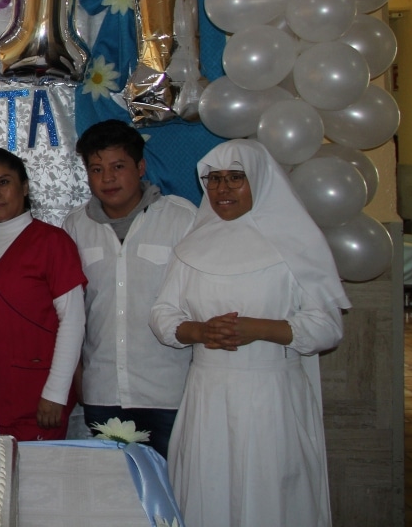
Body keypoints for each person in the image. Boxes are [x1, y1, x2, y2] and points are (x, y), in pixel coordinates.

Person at [150, 139, 350, 527]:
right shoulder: (191, 246)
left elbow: (327, 327)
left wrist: (257, 329)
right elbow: (162, 314)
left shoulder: (296, 245)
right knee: (209, 488)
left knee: (271, 491)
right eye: (214, 179)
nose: (222, 189)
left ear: (259, 180)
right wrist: (200, 331)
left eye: (236, 178)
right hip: (208, 395)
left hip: (272, 396)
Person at [62, 120, 195, 457]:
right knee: (114, 499)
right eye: (96, 169)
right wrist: (79, 379)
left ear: (140, 167)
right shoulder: (75, 226)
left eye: (118, 167)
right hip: (102, 391)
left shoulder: (182, 219)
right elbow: (72, 313)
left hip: (170, 393)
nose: (107, 178)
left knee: (170, 497)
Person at [0, 147, 86, 440]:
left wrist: (55, 392)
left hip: (38, 399)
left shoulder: (53, 242)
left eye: (3, 182)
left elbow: (73, 321)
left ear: (25, 187)